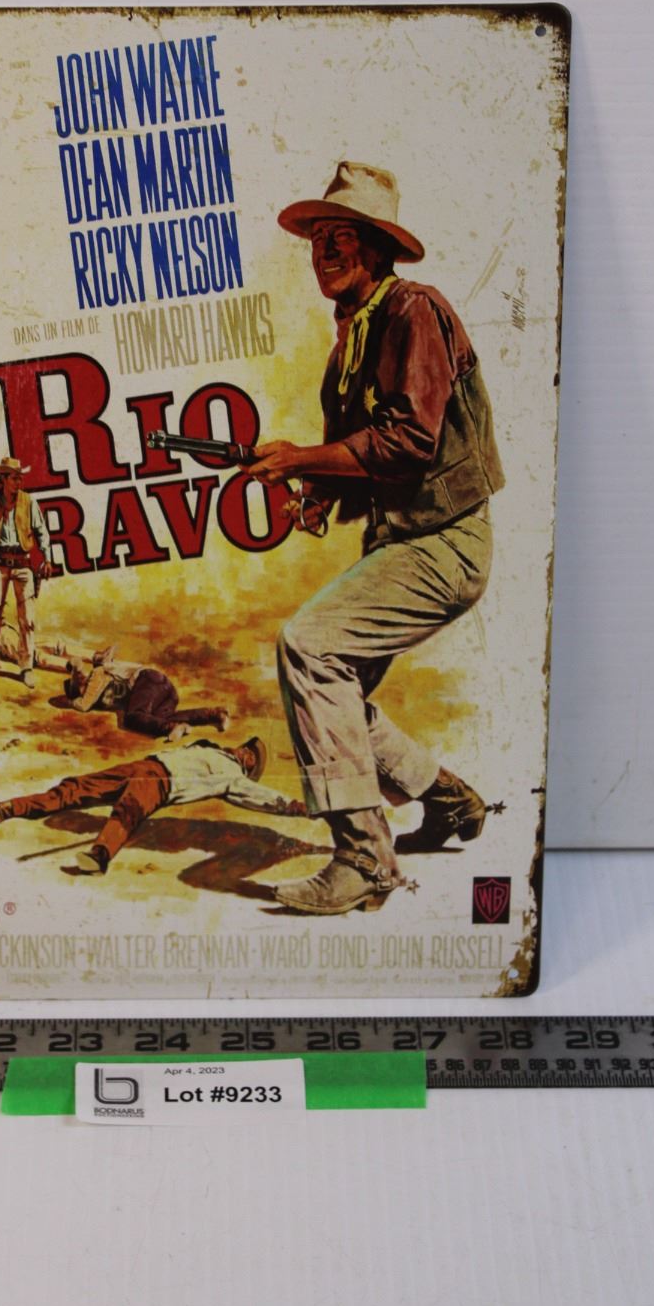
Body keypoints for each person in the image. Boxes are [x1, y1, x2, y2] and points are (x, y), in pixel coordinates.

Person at [247, 162, 504, 915]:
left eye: (343, 236)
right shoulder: (350, 344)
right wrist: (317, 495)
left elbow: (410, 441)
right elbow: (361, 462)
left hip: (444, 542)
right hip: (401, 544)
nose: (326, 251)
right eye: (318, 238)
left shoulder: (413, 311)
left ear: (378, 248)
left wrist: (299, 458)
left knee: (308, 647)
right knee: (333, 694)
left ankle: (364, 861)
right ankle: (445, 796)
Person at [0, 737, 305, 875]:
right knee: (74, 789)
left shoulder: (233, 777)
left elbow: (256, 796)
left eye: (251, 757)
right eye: (248, 747)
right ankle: (1, 810)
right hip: (143, 766)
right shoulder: (209, 748)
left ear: (248, 768)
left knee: (128, 812)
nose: (245, 752)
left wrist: (291, 806)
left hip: (160, 783)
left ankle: (100, 857)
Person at [0, 456, 55, 689]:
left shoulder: (29, 502)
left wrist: (47, 558)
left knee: (27, 618)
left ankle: (26, 666)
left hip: (23, 564)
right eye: (14, 478)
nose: (19, 482)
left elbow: (41, 532)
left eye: (20, 478)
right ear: (3, 480)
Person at [60, 649, 230, 740]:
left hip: (148, 681)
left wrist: (72, 699)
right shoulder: (105, 686)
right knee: (161, 718)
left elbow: (84, 705)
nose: (84, 692)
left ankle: (171, 728)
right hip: (164, 690)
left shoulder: (97, 674)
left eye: (81, 690)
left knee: (133, 717)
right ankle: (214, 714)